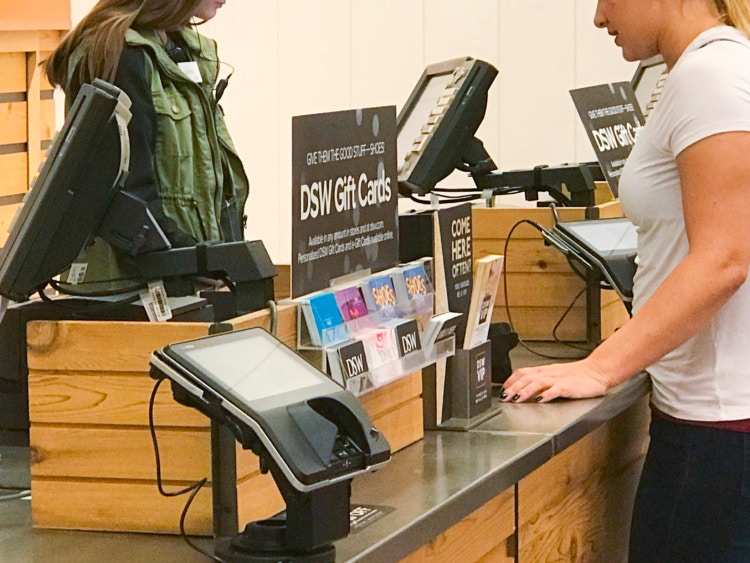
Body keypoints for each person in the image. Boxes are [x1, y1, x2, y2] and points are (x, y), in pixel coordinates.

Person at [501, 0, 750, 560]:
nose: (598, 17)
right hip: (706, 424)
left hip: (719, 436)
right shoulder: (702, 71)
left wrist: (600, 366)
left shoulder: (713, 76)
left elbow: (725, 259)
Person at [43, 0, 248, 293]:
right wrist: (192, 257)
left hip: (183, 281)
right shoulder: (118, 52)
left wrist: (213, 257)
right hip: (130, 292)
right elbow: (122, 192)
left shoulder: (184, 49)